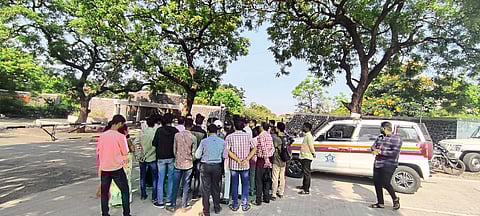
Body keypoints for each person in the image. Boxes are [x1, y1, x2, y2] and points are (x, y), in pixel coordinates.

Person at [97, 114, 131, 216]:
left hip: (105, 168)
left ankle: (105, 213)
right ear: (120, 123)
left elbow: (98, 152)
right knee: (125, 191)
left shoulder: (102, 136)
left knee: (104, 193)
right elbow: (125, 152)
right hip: (117, 168)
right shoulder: (121, 137)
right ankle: (126, 213)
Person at [224, 118, 257, 212]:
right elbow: (254, 148)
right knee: (245, 185)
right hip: (245, 165)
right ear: (243, 126)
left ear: (234, 126)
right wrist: (247, 159)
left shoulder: (229, 137)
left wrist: (237, 159)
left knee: (234, 184)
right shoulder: (248, 136)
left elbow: (228, 151)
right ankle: (244, 204)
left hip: (234, 165)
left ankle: (235, 204)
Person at [370, 121, 402, 210]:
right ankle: (380, 203)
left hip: (389, 164)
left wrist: (380, 152)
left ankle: (395, 199)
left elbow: (394, 153)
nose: (380, 130)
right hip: (378, 163)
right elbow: (373, 147)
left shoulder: (396, 138)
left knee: (385, 183)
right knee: (377, 183)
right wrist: (373, 150)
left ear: (384, 128)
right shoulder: (380, 137)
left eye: (381, 128)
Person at [196, 124, 225, 216]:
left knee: (205, 189)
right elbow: (224, 156)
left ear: (208, 131)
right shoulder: (222, 142)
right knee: (216, 187)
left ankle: (206, 211)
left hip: (205, 166)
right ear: (217, 131)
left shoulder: (204, 141)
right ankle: (217, 207)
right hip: (217, 166)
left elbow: (197, 155)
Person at [169, 118, 197, 212]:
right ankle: (184, 205)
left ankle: (173, 204)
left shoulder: (177, 135)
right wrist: (191, 159)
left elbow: (174, 149)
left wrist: (177, 157)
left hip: (178, 163)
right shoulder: (193, 137)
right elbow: (194, 152)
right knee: (186, 185)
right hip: (188, 164)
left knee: (175, 184)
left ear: (184, 124)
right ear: (192, 126)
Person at [152, 113, 178, 208]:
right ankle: (168, 200)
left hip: (161, 157)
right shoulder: (175, 131)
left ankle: (160, 201)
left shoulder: (159, 130)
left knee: (161, 179)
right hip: (171, 157)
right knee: (171, 179)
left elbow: (154, 143)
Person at [252, 122, 274, 206]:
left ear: (262, 127)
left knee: (259, 180)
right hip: (269, 159)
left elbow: (263, 147)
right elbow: (272, 148)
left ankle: (258, 200)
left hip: (262, 160)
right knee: (267, 179)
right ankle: (266, 198)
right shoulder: (269, 136)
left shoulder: (261, 136)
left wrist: (266, 159)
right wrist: (269, 157)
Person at [138, 117, 158, 202]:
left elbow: (136, 143)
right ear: (154, 124)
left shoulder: (142, 133)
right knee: (154, 177)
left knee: (142, 176)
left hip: (143, 156)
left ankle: (143, 194)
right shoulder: (155, 133)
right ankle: (154, 196)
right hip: (153, 157)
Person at [190, 113, 207, 200]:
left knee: (188, 174)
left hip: (190, 154)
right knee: (197, 175)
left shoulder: (190, 130)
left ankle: (185, 190)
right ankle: (195, 193)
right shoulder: (203, 132)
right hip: (199, 156)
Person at [271, 122, 288, 201]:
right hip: (284, 160)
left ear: (278, 128)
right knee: (282, 177)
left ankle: (274, 193)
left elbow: (274, 148)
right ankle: (281, 192)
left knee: (275, 177)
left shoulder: (276, 139)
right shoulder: (286, 137)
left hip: (277, 159)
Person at [297, 122, 315, 195]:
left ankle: (306, 190)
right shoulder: (307, 135)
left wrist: (313, 153)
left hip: (307, 157)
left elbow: (311, 146)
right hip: (305, 156)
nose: (303, 128)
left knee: (307, 173)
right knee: (305, 173)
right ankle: (304, 186)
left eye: (304, 127)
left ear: (307, 128)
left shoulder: (309, 136)